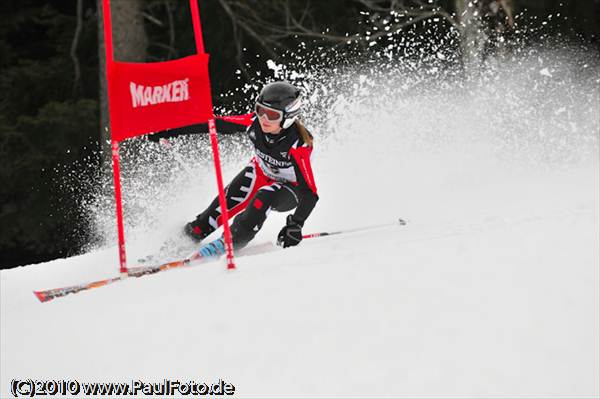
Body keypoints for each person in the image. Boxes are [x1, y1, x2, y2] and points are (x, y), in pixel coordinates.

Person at [184, 81, 319, 257]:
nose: (264, 119)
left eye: (272, 115)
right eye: (260, 110)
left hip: (289, 190)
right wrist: (167, 130)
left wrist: (295, 224)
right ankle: (184, 240)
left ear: (288, 117)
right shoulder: (254, 123)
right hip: (260, 174)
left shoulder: (297, 145)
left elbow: (309, 194)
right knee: (211, 216)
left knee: (266, 194)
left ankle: (231, 241)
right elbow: (214, 123)